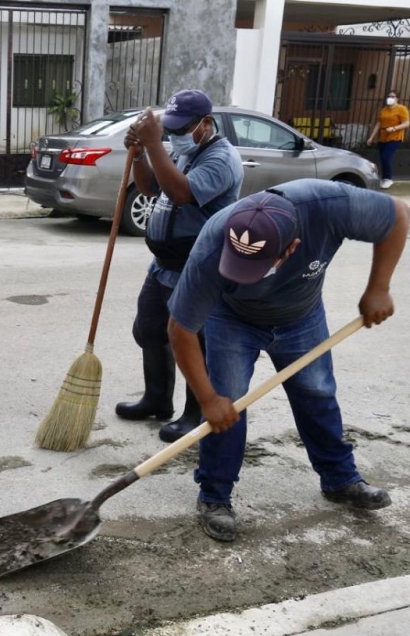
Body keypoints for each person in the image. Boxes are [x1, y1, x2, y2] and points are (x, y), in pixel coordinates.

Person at [166, 179, 409, 542]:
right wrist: (207, 399)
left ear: (292, 246)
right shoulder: (213, 243)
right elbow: (180, 330)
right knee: (226, 401)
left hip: (302, 316)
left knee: (317, 392)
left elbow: (398, 216)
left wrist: (379, 287)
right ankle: (215, 495)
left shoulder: (330, 205)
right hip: (232, 319)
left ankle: (341, 479)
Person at [115, 89, 244, 443]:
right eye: (168, 130)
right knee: (149, 329)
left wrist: (155, 144)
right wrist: (141, 155)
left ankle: (196, 412)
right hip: (163, 263)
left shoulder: (221, 158)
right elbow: (151, 189)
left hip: (197, 264)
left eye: (180, 129)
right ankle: (157, 399)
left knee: (193, 339)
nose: (174, 136)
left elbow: (182, 193)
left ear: (206, 124)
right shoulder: (181, 151)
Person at [366, 89, 409, 190]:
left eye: (392, 96)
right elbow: (378, 124)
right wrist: (371, 137)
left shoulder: (401, 109)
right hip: (383, 138)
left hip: (395, 138)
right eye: (389, 96)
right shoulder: (384, 110)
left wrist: (394, 128)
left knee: (386, 157)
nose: (390, 98)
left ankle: (388, 178)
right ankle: (384, 178)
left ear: (397, 98)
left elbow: (406, 123)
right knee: (382, 158)